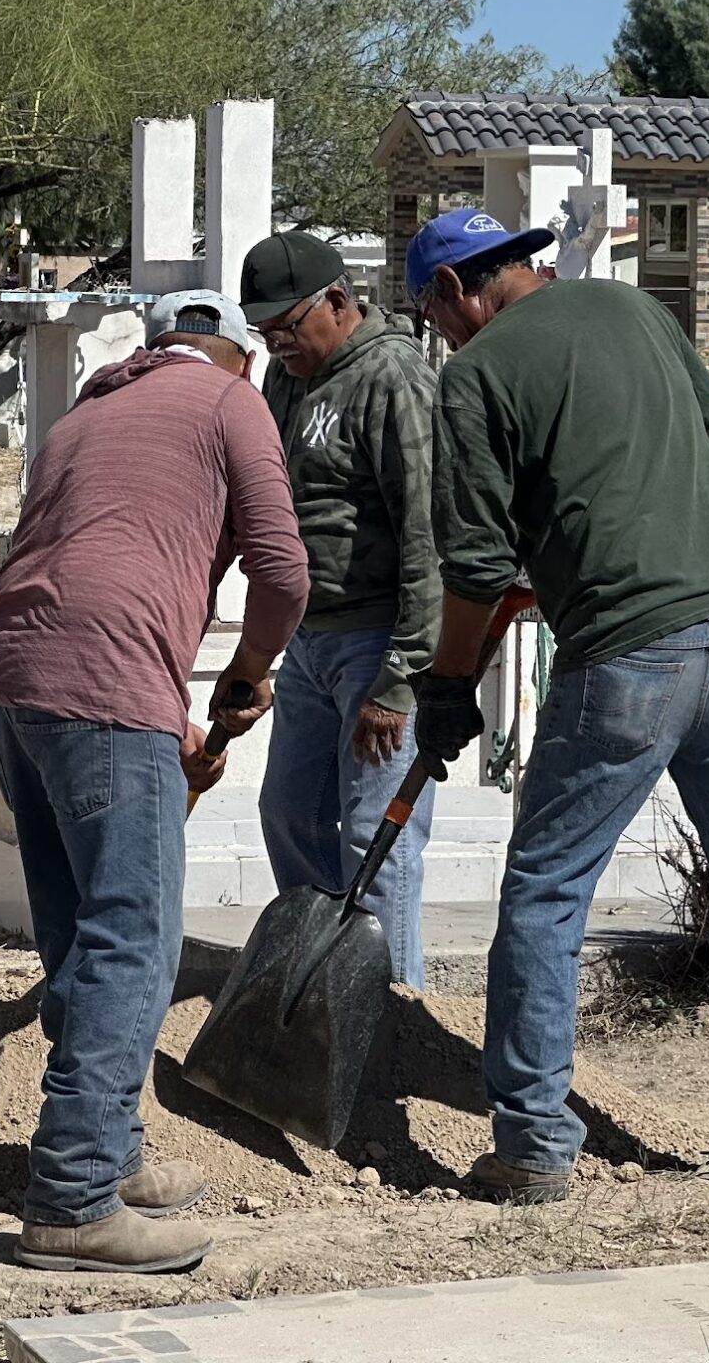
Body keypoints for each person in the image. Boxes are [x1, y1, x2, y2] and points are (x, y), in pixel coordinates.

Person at [407, 209, 709, 1204]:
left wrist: (448, 687)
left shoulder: (476, 373)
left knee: (547, 890)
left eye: (436, 314)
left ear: (455, 291)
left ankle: (535, 1145)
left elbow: (471, 567)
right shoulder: (635, 310)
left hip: (628, 653)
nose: (443, 333)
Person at [0, 290, 308, 1273]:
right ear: (235, 358)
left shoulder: (86, 411)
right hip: (109, 682)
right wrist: (248, 677)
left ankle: (109, 1158)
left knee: (79, 931)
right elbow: (283, 570)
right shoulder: (229, 401)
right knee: (135, 938)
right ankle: (74, 1198)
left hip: (17, 674)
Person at [238, 231, 442, 987]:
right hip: (308, 641)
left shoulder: (394, 378)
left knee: (374, 838)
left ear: (336, 301)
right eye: (265, 334)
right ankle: (322, 983)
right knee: (288, 813)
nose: (278, 345)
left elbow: (430, 533)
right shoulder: (288, 382)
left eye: (288, 327)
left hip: (376, 641)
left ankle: (389, 1006)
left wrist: (401, 676)